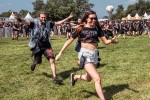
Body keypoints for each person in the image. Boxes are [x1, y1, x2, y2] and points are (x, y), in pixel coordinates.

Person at [55, 10, 117, 100]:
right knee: (97, 79)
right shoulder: (81, 28)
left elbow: (105, 42)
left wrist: (112, 40)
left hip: (94, 54)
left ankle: (75, 76)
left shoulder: (97, 28)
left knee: (88, 78)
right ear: (87, 18)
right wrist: (60, 52)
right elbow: (70, 40)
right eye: (91, 18)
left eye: (95, 18)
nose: (94, 20)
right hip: (84, 54)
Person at [12, 12, 73, 84]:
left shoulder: (48, 23)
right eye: (42, 17)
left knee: (52, 60)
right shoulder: (34, 23)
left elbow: (58, 23)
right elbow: (25, 22)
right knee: (37, 61)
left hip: (46, 45)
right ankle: (34, 62)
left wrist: (68, 18)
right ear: (38, 17)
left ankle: (55, 78)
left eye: (44, 17)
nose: (43, 19)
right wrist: (18, 18)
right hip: (37, 45)